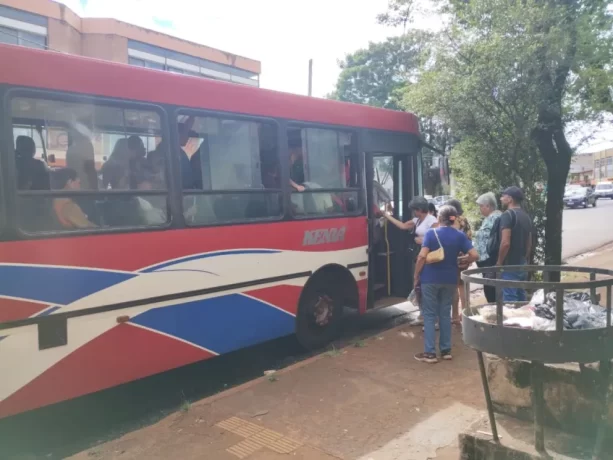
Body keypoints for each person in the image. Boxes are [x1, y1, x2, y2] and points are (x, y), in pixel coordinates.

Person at [413, 205, 478, 363]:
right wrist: (465, 261)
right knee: (444, 314)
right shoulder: (460, 235)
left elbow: (422, 256)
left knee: (429, 315)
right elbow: (475, 254)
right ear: (454, 219)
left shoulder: (431, 233)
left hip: (430, 279)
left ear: (439, 218)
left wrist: (416, 275)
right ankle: (446, 351)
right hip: (450, 279)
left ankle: (430, 353)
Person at [497, 186, 532, 302]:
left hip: (510, 265)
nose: (501, 199)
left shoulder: (507, 215)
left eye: (503, 196)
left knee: (510, 302)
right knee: (521, 297)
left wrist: (499, 262)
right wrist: (524, 258)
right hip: (522, 263)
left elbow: (505, 242)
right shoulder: (525, 216)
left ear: (510, 199)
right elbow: (529, 243)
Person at [445, 199, 472, 324]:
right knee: (463, 285)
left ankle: (455, 315)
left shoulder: (452, 219)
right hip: (465, 255)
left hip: (455, 256)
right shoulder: (464, 220)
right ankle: (466, 312)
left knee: (454, 286)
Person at [474, 192, 502, 303]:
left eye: (481, 206)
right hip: (486, 260)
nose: (480, 209)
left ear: (488, 206)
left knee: (491, 289)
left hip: (490, 260)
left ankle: (494, 309)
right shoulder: (490, 218)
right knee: (489, 287)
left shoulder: (495, 218)